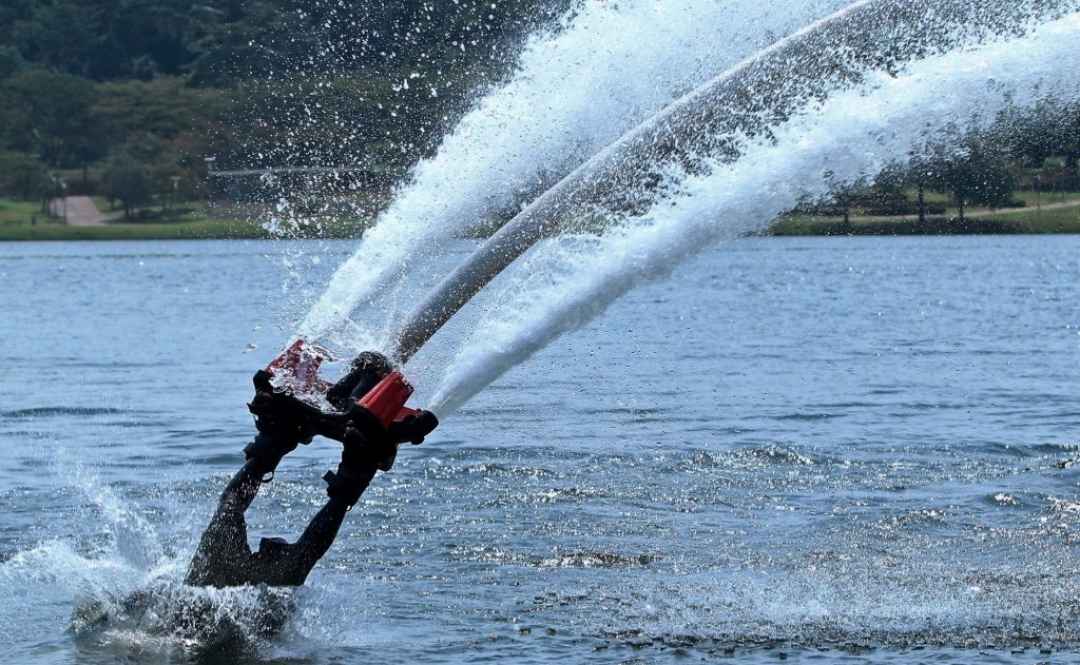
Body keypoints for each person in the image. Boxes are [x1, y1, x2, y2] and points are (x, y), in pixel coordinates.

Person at [185, 351, 438, 588]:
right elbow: (318, 536)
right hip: (225, 607)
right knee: (231, 514)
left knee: (229, 512)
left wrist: (264, 455)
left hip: (204, 604)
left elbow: (233, 501)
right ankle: (278, 441)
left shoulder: (220, 564)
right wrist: (353, 477)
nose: (274, 542)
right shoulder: (279, 580)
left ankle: (277, 440)